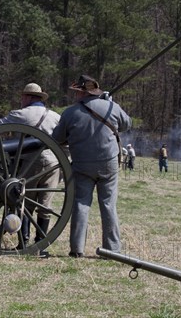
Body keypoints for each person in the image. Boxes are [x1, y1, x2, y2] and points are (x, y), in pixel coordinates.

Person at [52, 74, 131, 258]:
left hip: (82, 165)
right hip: (108, 163)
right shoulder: (112, 106)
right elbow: (127, 124)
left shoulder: (70, 113)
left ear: (81, 93)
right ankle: (112, 249)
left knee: (80, 204)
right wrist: (111, 103)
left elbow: (57, 138)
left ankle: (77, 249)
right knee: (108, 205)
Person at [0, 83, 60, 253]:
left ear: (29, 97)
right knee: (46, 204)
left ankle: (24, 242)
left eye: (23, 97)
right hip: (53, 163)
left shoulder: (21, 114)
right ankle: (41, 245)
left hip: (31, 162)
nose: (21, 100)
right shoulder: (55, 117)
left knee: (24, 202)